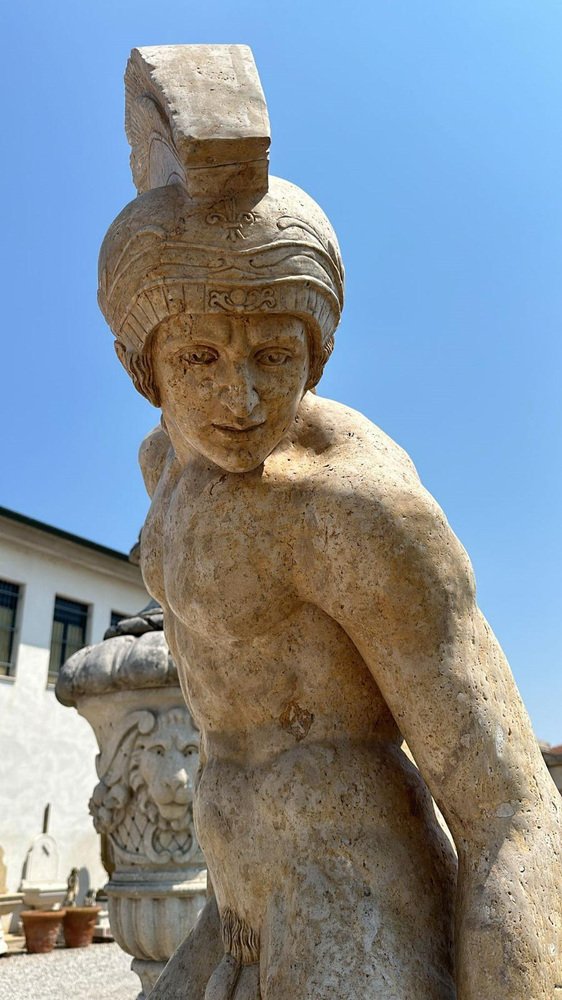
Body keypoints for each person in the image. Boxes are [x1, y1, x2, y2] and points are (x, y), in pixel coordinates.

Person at [98, 47, 561, 1000]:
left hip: (354, 894)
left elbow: (511, 810)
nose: (242, 393)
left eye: (277, 352)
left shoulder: (350, 510)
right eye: (198, 355)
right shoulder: (164, 471)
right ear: (140, 363)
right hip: (233, 896)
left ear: (318, 351)